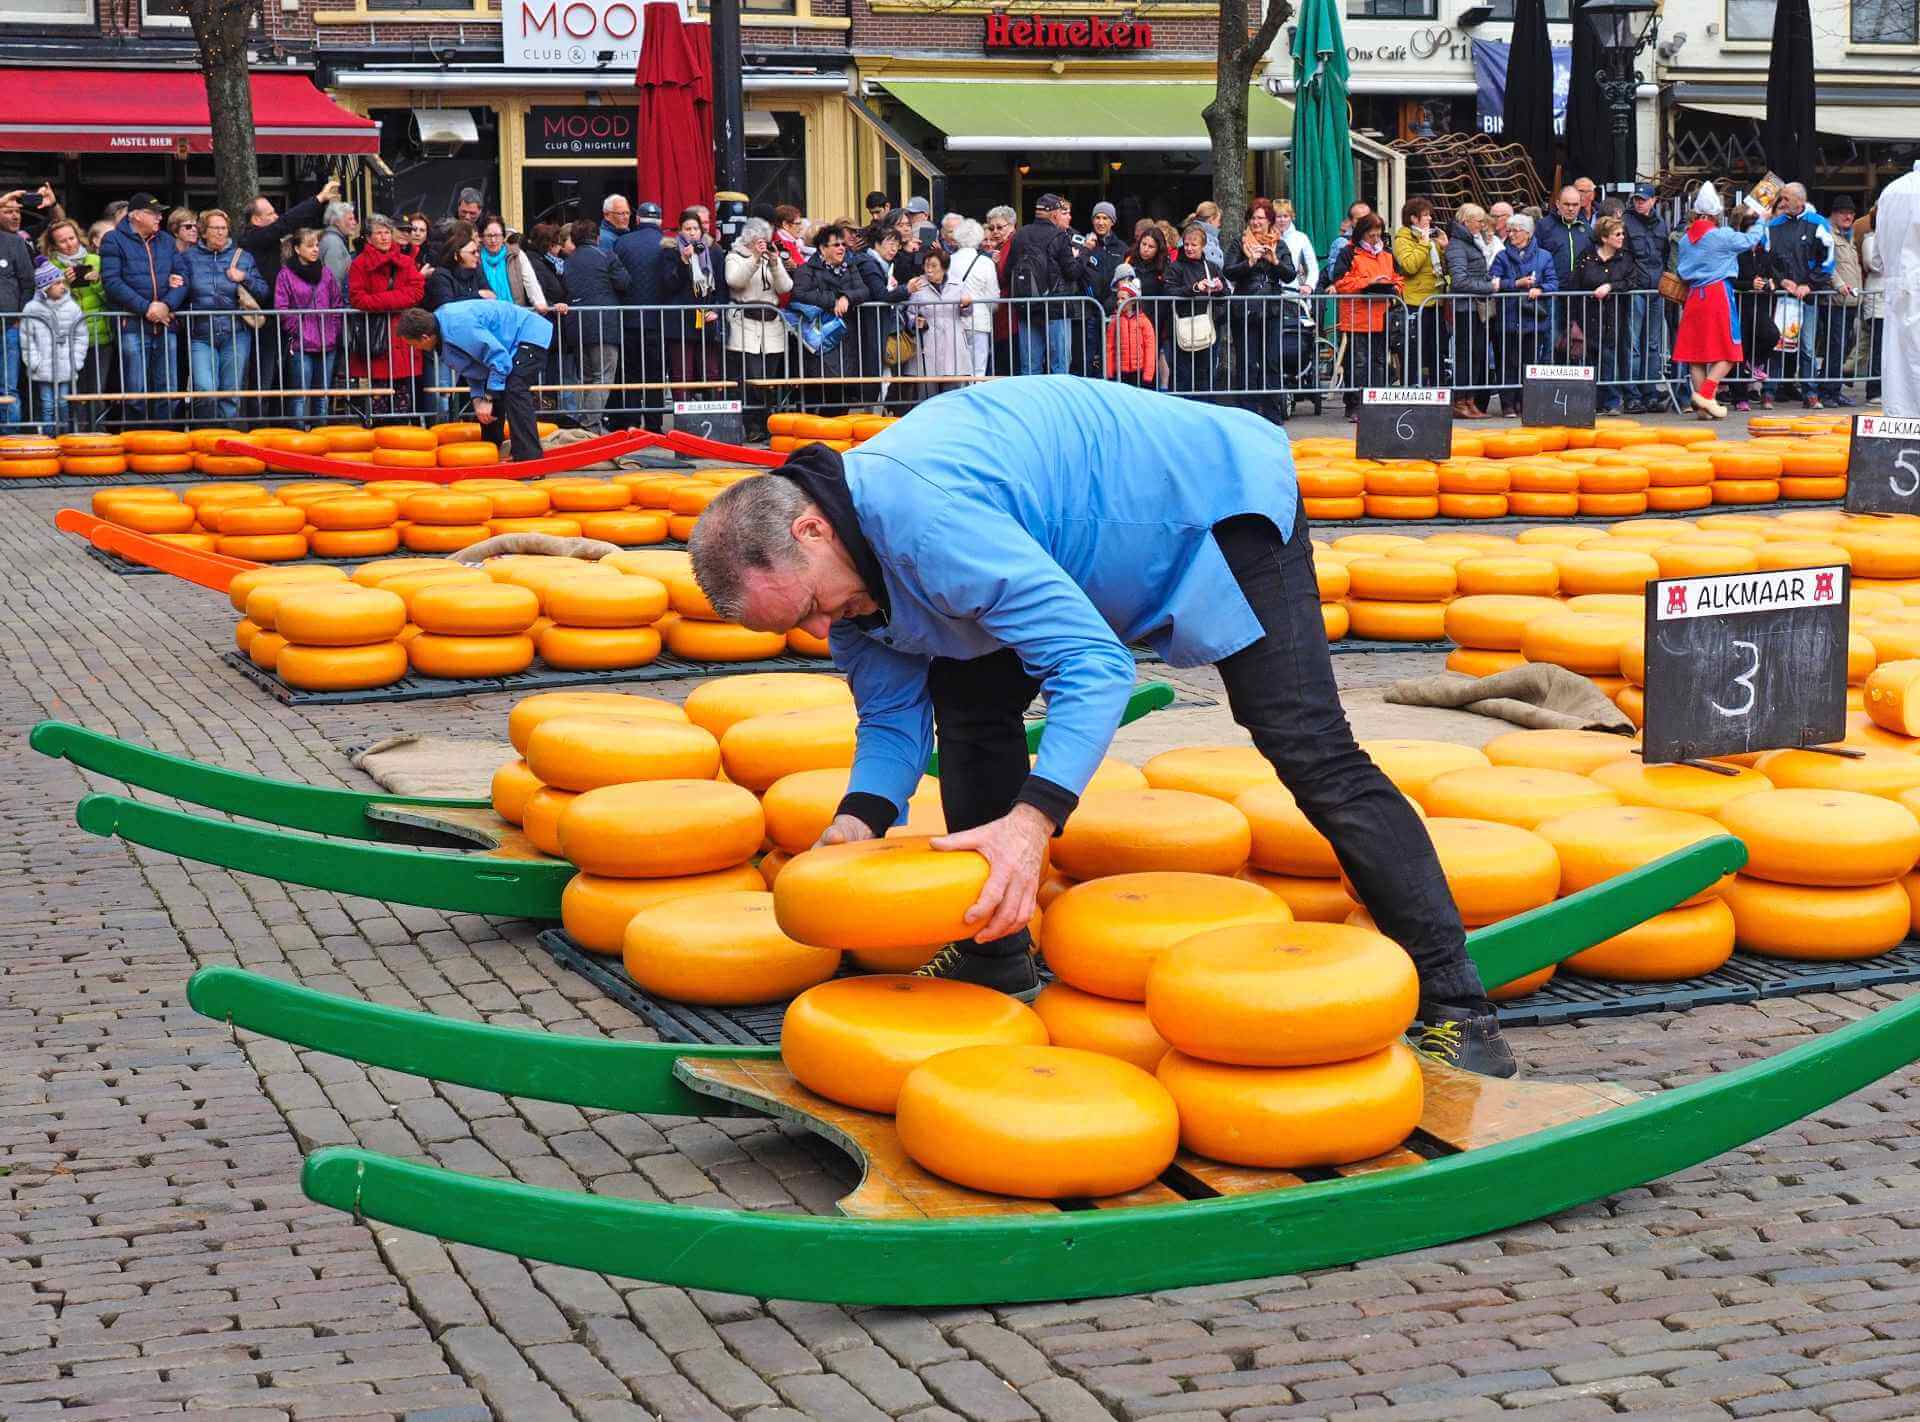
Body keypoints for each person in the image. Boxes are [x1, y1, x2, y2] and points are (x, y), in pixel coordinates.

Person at [685, 377, 1515, 1076]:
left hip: (1209, 501)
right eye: (801, 624)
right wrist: (856, 821)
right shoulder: (847, 580)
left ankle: (1456, 1002)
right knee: (972, 711)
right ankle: (996, 949)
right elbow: (893, 718)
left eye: (818, 606)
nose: (827, 627)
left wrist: (1032, 822)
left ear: (811, 529)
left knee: (1304, 741)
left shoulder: (929, 523)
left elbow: (1094, 669)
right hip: (1065, 540)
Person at [398, 301, 552, 462]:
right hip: (507, 348)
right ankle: (490, 452)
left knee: (514, 390)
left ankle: (529, 458)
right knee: (489, 399)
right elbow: (474, 366)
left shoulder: (458, 328)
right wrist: (478, 398)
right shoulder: (440, 332)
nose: (415, 349)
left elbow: (499, 359)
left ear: (424, 337)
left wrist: (488, 398)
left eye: (413, 344)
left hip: (528, 335)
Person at [1672, 181, 1770, 420]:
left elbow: (1682, 271)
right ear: (1716, 214)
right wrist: (1761, 220)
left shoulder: (1685, 239)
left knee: (1696, 355)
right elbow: (1748, 242)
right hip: (1717, 295)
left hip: (1694, 296)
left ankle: (1704, 407)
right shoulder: (1721, 235)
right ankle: (1706, 395)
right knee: (1730, 351)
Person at [98, 194, 185, 422]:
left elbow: (183, 276)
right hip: (132, 325)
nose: (160, 217)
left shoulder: (166, 240)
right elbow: (113, 282)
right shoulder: (113, 240)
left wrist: (166, 305)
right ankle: (137, 440)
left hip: (165, 324)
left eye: (160, 213)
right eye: (153, 213)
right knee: (135, 390)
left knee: (168, 389)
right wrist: (147, 308)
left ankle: (165, 440)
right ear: (135, 215)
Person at [182, 208, 266, 424]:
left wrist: (244, 278)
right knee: (205, 390)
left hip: (235, 333)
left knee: (231, 392)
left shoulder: (243, 258)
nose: (220, 233)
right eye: (215, 228)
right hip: (201, 334)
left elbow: (264, 291)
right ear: (203, 232)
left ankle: (229, 444)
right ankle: (206, 438)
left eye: (224, 228)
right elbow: (179, 292)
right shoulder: (188, 258)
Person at [1223, 198, 1296, 422]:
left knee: (1272, 361)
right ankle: (1248, 412)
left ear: (1269, 222)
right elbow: (1229, 271)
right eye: (1253, 218)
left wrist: (1275, 261)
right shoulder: (1239, 243)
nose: (1257, 223)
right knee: (1247, 361)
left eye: (1261, 219)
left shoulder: (1279, 244)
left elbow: (1290, 274)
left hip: (1271, 308)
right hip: (1245, 308)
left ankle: (1272, 412)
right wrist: (1249, 263)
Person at [348, 213, 428, 414]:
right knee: (378, 400)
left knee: (403, 398)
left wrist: (382, 300)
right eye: (379, 233)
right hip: (377, 336)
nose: (384, 237)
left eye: (387, 232)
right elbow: (358, 299)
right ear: (368, 238)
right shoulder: (359, 264)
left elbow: (417, 292)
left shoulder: (405, 261)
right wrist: (395, 300)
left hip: (402, 334)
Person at [1764, 183, 1835, 408]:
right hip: (1783, 295)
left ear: (1799, 201)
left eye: (1785, 198)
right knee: (1778, 343)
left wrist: (1809, 285)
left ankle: (1810, 393)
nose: (1781, 203)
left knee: (1807, 346)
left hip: (1807, 296)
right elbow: (1767, 259)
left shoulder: (1818, 223)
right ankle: (1769, 392)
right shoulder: (1773, 225)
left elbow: (1828, 260)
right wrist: (1781, 280)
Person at [723, 217, 792, 434]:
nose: (763, 244)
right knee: (751, 378)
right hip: (744, 325)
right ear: (750, 239)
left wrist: (774, 262)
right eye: (759, 240)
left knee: (769, 378)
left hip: (771, 326)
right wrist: (754, 258)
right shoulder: (734, 256)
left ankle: (767, 424)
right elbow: (735, 281)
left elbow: (785, 287)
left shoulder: (770, 257)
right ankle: (753, 425)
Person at [1488, 212, 1559, 415]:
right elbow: (1494, 282)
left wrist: (1542, 289)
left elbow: (1554, 282)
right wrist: (1516, 284)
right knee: (1508, 362)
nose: (1511, 235)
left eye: (1515, 231)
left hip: (1533, 318)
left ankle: (1524, 402)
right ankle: (1508, 403)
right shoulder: (1501, 256)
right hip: (1508, 317)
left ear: (1527, 233)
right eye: (1509, 230)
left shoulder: (1544, 256)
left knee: (1529, 362)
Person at [562, 218, 628, 434]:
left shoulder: (569, 261)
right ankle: (589, 425)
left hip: (577, 324)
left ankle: (590, 423)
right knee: (604, 377)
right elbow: (624, 282)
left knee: (587, 378)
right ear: (597, 237)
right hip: (604, 323)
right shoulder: (606, 255)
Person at [1333, 212, 1400, 421]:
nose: (1376, 239)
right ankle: (1355, 404)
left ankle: (1377, 402)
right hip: (1357, 317)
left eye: (1378, 234)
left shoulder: (1387, 254)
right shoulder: (1348, 253)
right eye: (1371, 235)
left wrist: (1394, 288)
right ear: (1362, 233)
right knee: (1358, 363)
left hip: (1381, 317)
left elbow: (1399, 278)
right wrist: (1367, 283)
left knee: (1380, 361)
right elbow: (1340, 282)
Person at [1005, 194, 1080, 376]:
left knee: (1030, 367)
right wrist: (1082, 256)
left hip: (1027, 307)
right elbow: (1072, 272)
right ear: (1054, 214)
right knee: (1059, 366)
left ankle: (1032, 404)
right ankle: (1058, 404)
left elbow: (1008, 271)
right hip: (1055, 307)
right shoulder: (1059, 236)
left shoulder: (1020, 235)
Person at [274, 228, 343, 426]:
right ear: (297, 249)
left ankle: (320, 435)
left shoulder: (326, 273)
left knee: (322, 395)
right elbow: (281, 307)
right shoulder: (285, 276)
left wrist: (334, 329)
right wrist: (298, 330)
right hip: (301, 343)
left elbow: (336, 303)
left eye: (317, 246)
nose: (315, 250)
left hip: (327, 341)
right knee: (300, 395)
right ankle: (297, 437)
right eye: (310, 246)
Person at [1868, 162, 1920, 417]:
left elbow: (1876, 254)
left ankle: (1900, 420)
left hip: (1895, 283)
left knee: (1897, 363)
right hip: (1914, 279)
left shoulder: (1891, 191)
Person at [39, 218, 108, 410]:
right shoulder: (49, 268)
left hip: (99, 336)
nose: (69, 244)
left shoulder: (96, 261)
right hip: (68, 339)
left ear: (79, 237)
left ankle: (97, 432)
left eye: (72, 238)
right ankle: (75, 432)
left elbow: (110, 300)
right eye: (62, 241)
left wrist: (97, 282)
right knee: (73, 392)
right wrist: (65, 287)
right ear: (53, 245)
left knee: (97, 391)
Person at [612, 201, 668, 429]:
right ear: (660, 221)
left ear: (637, 219)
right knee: (655, 375)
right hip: (659, 320)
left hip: (629, 319)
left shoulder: (622, 243)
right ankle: (654, 425)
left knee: (632, 374)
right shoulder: (668, 244)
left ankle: (632, 423)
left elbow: (615, 279)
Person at [1621, 182, 1672, 414]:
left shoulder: (1661, 224)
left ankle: (1649, 392)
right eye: (1636, 199)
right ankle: (1632, 394)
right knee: (1633, 345)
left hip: (1655, 289)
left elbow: (1664, 255)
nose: (1639, 203)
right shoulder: (1626, 221)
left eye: (1643, 199)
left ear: (1653, 201)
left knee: (1652, 345)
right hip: (1637, 289)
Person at [1576, 215, 1635, 414]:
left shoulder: (1624, 258)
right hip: (1589, 313)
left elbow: (1631, 281)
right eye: (1617, 234)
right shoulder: (1587, 256)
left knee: (1609, 356)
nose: (1621, 237)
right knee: (1591, 357)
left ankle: (1611, 400)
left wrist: (1610, 286)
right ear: (1604, 238)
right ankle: (1592, 400)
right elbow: (1576, 281)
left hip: (1613, 315)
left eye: (1622, 233)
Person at [661, 207, 720, 400]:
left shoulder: (713, 251)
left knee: (711, 371)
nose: (693, 232)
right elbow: (669, 284)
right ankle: (683, 416)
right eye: (688, 228)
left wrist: (717, 308)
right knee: (682, 372)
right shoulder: (669, 251)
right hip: (680, 321)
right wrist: (683, 260)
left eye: (696, 228)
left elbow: (721, 286)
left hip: (706, 318)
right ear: (680, 230)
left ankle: (715, 414)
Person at [22, 259, 87, 431]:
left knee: (63, 404)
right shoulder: (31, 309)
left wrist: (76, 360)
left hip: (66, 364)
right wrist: (34, 362)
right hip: (43, 367)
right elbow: (27, 338)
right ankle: (49, 439)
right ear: (45, 288)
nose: (62, 286)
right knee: (48, 405)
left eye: (61, 282)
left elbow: (81, 335)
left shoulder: (72, 307)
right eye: (57, 283)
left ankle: (63, 436)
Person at [1444, 202, 1495, 419]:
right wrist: (1489, 287)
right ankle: (1461, 401)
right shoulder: (1457, 245)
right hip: (1466, 308)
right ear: (1466, 222)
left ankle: (1470, 400)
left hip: (1476, 308)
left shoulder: (1471, 242)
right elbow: (1459, 281)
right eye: (1479, 221)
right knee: (1466, 355)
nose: (1483, 225)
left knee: (1476, 354)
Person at [1393, 198, 1447, 393]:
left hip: (1436, 300)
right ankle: (1412, 390)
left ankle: (1439, 390)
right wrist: (1424, 245)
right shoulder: (1403, 239)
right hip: (1416, 302)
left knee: (1437, 349)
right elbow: (1409, 266)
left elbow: (1441, 269)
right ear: (1413, 218)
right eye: (1425, 215)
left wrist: (1444, 247)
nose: (1430, 218)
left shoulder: (1432, 238)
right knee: (1414, 350)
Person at [1166, 222, 1225, 399]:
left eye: (1194, 245)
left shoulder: (1211, 267)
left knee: (1204, 374)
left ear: (1203, 246)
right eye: (1187, 244)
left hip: (1206, 326)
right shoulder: (1175, 267)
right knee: (1182, 375)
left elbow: (1226, 292)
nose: (1190, 248)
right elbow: (1169, 291)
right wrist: (1195, 288)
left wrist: (1219, 288)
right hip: (1181, 326)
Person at [905, 247, 973, 399]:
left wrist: (967, 305)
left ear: (944, 267)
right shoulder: (918, 285)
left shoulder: (957, 284)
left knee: (952, 398)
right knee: (926, 399)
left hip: (952, 347)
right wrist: (914, 322)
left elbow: (967, 313)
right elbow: (909, 313)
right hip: (927, 346)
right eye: (926, 265)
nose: (929, 269)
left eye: (934, 266)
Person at [526, 223, 575, 422]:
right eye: (556, 244)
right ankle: (549, 419)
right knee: (547, 379)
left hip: (555, 331)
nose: (559, 249)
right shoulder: (536, 264)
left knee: (556, 378)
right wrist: (555, 305)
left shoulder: (550, 264)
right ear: (548, 245)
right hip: (546, 328)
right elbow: (541, 294)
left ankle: (556, 417)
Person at [946, 218, 999, 382]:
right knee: (978, 369)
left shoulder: (949, 261)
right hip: (979, 320)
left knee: (957, 369)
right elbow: (993, 296)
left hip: (954, 320)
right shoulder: (986, 263)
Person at [1826, 195, 1862, 407]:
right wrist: (1839, 285)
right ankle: (1829, 391)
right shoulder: (1829, 235)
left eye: (1851, 213)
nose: (1848, 216)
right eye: (1843, 212)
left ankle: (1834, 390)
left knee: (1841, 348)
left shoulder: (1847, 236)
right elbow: (1828, 267)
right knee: (1835, 348)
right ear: (1834, 214)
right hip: (1836, 301)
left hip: (1849, 301)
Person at [1104, 266, 1157, 389]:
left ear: (1133, 301)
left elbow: (1150, 349)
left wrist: (1148, 375)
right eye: (1118, 298)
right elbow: (1109, 347)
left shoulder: (1144, 321)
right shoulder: (1115, 321)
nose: (1119, 301)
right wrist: (1109, 372)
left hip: (1139, 370)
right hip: (1120, 371)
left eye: (1123, 298)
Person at [478, 216, 545, 311]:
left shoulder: (516, 254)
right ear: (481, 237)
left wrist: (539, 302)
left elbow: (530, 282)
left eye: (497, 235)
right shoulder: (475, 255)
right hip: (484, 314)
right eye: (489, 236)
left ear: (503, 236)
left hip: (514, 313)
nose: (493, 240)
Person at [1860, 205, 1886, 404]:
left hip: (1892, 301)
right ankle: (1874, 389)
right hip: (1877, 301)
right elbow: (1873, 264)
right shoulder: (1871, 239)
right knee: (1877, 347)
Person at [319, 202, 358, 291]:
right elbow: (335, 282)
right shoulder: (333, 243)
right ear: (337, 222)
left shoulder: (332, 239)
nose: (355, 222)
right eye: (350, 219)